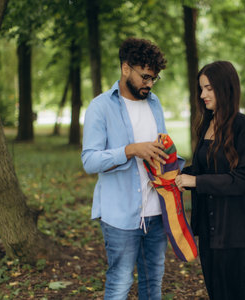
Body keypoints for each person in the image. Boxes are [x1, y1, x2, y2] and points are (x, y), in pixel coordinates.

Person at [81, 37, 183, 300]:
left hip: (156, 213)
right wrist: (130, 150)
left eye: (154, 79)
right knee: (119, 285)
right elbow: (89, 160)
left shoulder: (154, 103)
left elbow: (159, 148)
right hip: (120, 216)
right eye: (146, 77)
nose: (149, 84)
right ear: (126, 68)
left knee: (153, 286)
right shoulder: (100, 107)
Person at [175, 61, 245, 300]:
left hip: (237, 231)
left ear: (225, 88)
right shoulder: (206, 123)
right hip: (210, 231)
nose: (202, 94)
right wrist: (177, 174)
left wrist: (196, 182)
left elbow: (242, 179)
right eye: (201, 88)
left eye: (209, 88)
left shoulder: (243, 127)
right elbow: (206, 168)